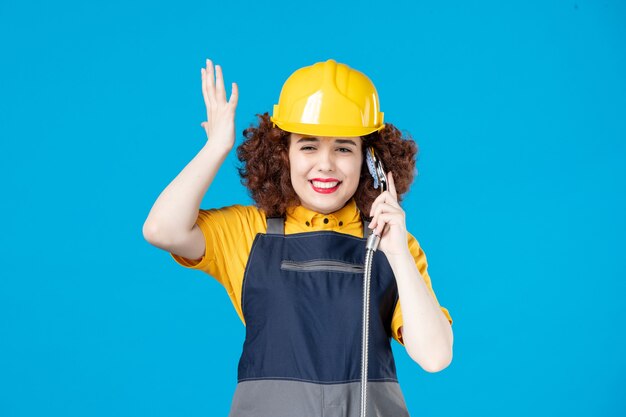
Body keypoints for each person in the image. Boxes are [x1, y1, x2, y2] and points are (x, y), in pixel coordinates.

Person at [143, 58, 454, 417]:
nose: (325, 164)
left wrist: (397, 252)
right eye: (308, 146)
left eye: (343, 147)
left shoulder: (389, 244)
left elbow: (435, 357)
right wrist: (216, 147)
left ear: (371, 161)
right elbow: (161, 230)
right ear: (282, 155)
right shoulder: (249, 232)